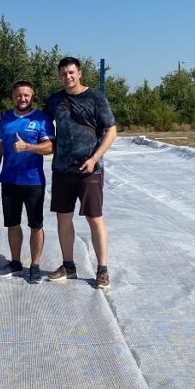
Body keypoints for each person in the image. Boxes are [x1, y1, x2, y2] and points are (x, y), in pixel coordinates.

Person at [45, 56, 117, 289]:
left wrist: (94, 158)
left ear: (80, 73)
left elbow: (111, 131)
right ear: (59, 76)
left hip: (90, 170)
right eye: (64, 73)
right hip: (62, 169)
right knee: (63, 218)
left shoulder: (95, 97)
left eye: (71, 72)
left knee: (94, 219)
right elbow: (38, 121)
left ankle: (102, 269)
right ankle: (69, 266)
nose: (68, 77)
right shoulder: (55, 100)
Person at [0, 81, 54, 284]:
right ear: (12, 97)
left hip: (33, 181)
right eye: (18, 95)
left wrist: (28, 147)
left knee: (35, 225)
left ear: (32, 96)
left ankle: (34, 265)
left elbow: (51, 146)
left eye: (26, 95)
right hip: (9, 180)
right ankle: (16, 263)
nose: (22, 98)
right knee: (13, 224)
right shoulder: (5, 119)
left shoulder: (41, 119)